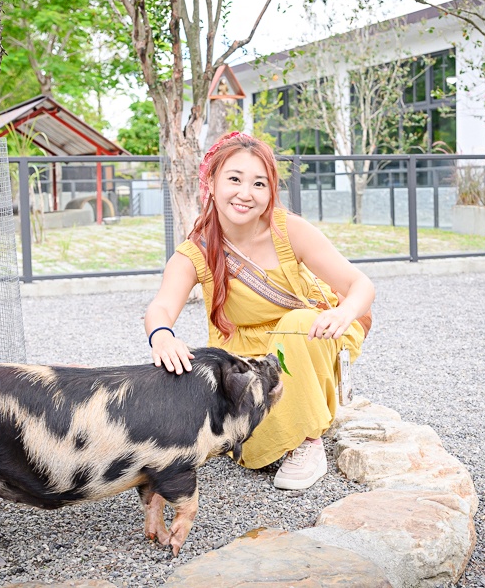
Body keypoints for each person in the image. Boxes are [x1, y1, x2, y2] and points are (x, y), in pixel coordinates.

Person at [144, 131, 375, 491]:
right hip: (247, 354)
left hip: (309, 338)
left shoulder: (288, 230)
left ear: (270, 191)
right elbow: (161, 305)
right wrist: (162, 337)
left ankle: (307, 441)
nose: (245, 193)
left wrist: (343, 313)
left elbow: (360, 284)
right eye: (234, 179)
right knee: (246, 439)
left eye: (258, 183)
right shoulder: (196, 251)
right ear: (211, 183)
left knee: (298, 324)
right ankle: (274, 433)